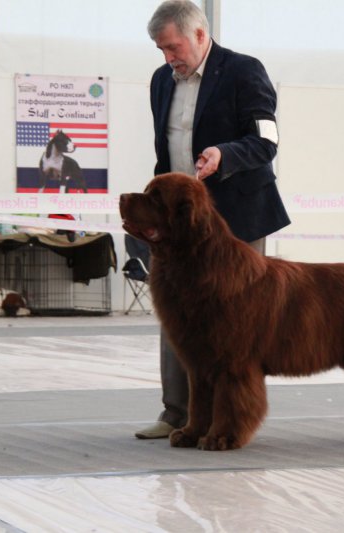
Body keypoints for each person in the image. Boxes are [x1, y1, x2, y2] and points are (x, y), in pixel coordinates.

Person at [135, 0, 291, 439]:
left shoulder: (244, 71)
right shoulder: (160, 82)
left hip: (238, 217)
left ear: (200, 35)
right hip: (180, 225)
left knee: (234, 328)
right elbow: (165, 152)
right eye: (161, 50)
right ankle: (176, 414)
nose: (168, 58)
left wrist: (225, 155)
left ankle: (228, 420)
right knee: (175, 313)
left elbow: (266, 141)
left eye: (173, 47)